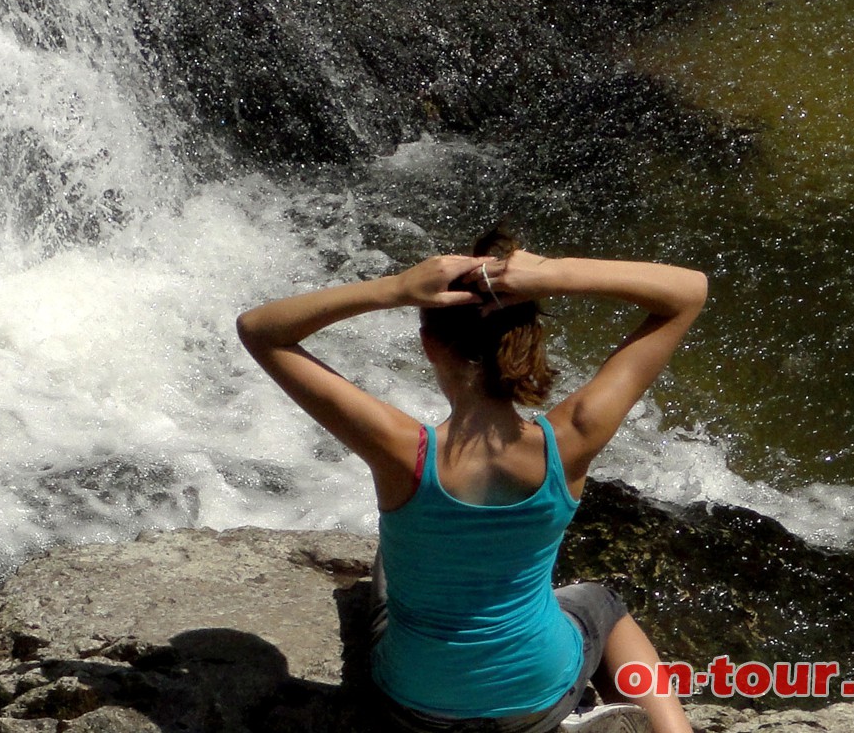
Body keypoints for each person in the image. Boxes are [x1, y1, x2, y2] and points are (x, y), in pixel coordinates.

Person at [235, 227, 707, 733]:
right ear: (529, 341)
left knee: (387, 567)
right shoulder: (570, 438)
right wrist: (553, 275)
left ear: (428, 345)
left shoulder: (399, 450)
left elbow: (259, 329)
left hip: (416, 708)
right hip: (537, 700)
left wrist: (393, 287)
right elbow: (688, 292)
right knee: (599, 601)